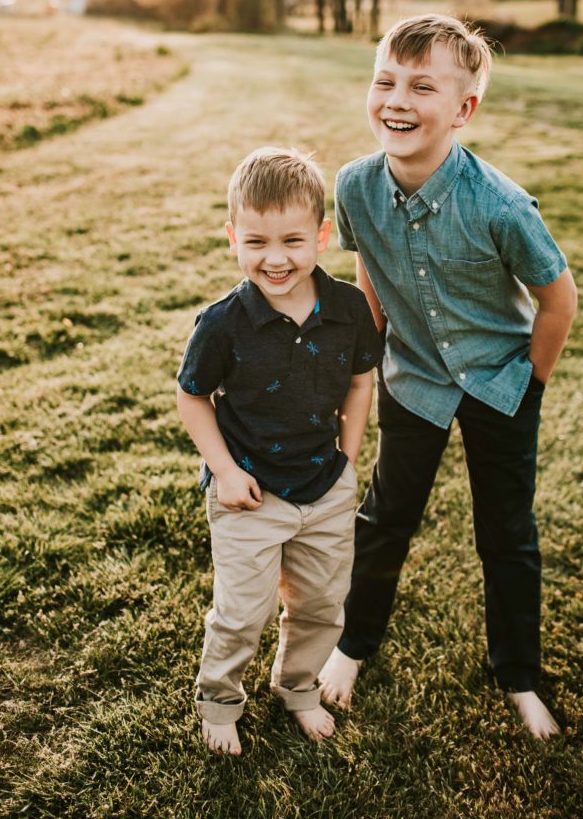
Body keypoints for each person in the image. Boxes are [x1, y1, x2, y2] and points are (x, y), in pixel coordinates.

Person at [318, 14, 578, 739]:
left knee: (506, 532)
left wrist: (531, 383)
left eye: (421, 86)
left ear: (462, 109)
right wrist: (371, 350)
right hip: (415, 379)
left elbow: (558, 299)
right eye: (385, 81)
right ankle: (352, 644)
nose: (396, 99)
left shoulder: (499, 204)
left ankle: (518, 675)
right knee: (384, 517)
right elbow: (367, 260)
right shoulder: (354, 187)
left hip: (501, 381)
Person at [176, 147, 383, 755]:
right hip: (250, 492)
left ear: (321, 235)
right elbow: (192, 398)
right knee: (243, 611)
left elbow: (362, 379)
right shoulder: (222, 324)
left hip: (325, 485)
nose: (275, 259)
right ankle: (219, 699)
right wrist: (225, 472)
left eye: (292, 240)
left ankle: (297, 688)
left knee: (322, 605)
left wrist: (347, 456)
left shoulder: (347, 309)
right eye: (256, 242)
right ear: (232, 236)